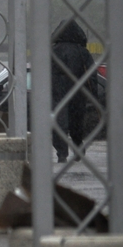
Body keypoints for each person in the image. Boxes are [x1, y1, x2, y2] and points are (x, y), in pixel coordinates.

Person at [50, 19, 95, 163]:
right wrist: (92, 93)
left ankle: (61, 153)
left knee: (59, 122)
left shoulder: (53, 51)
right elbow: (91, 75)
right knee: (77, 121)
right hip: (78, 91)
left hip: (57, 93)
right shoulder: (83, 52)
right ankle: (78, 147)